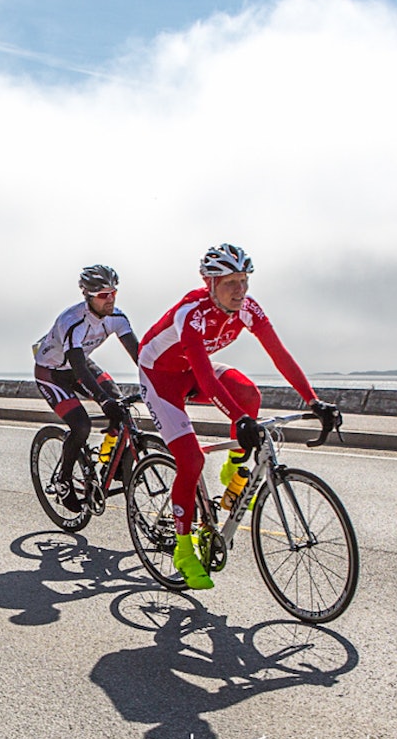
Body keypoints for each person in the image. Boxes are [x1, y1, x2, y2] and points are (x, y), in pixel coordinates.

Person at [138, 243, 336, 590]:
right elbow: (205, 376)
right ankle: (183, 551)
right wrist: (239, 419)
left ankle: (234, 468)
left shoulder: (248, 309)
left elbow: (279, 355)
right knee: (190, 460)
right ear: (210, 282)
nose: (240, 290)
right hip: (161, 377)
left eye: (244, 281)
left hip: (190, 371)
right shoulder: (192, 312)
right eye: (230, 282)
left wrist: (314, 400)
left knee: (249, 394)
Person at [33, 265, 139, 512]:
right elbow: (79, 368)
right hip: (52, 373)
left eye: (113, 293)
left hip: (78, 364)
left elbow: (140, 356)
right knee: (81, 425)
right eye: (104, 295)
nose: (110, 299)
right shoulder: (72, 321)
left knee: (122, 406)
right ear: (89, 297)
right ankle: (64, 480)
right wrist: (103, 401)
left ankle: (111, 458)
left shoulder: (117, 318)